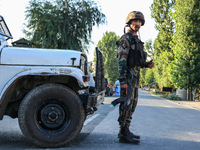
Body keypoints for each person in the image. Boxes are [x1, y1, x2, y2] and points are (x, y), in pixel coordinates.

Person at [116, 11, 154, 144]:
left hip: (136, 77)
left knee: (133, 104)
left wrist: (146, 64)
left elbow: (135, 60)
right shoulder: (125, 39)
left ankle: (126, 129)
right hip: (128, 77)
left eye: (139, 22)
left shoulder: (137, 40)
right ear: (129, 23)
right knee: (126, 103)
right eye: (135, 21)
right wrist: (123, 80)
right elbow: (122, 60)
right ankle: (123, 133)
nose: (137, 24)